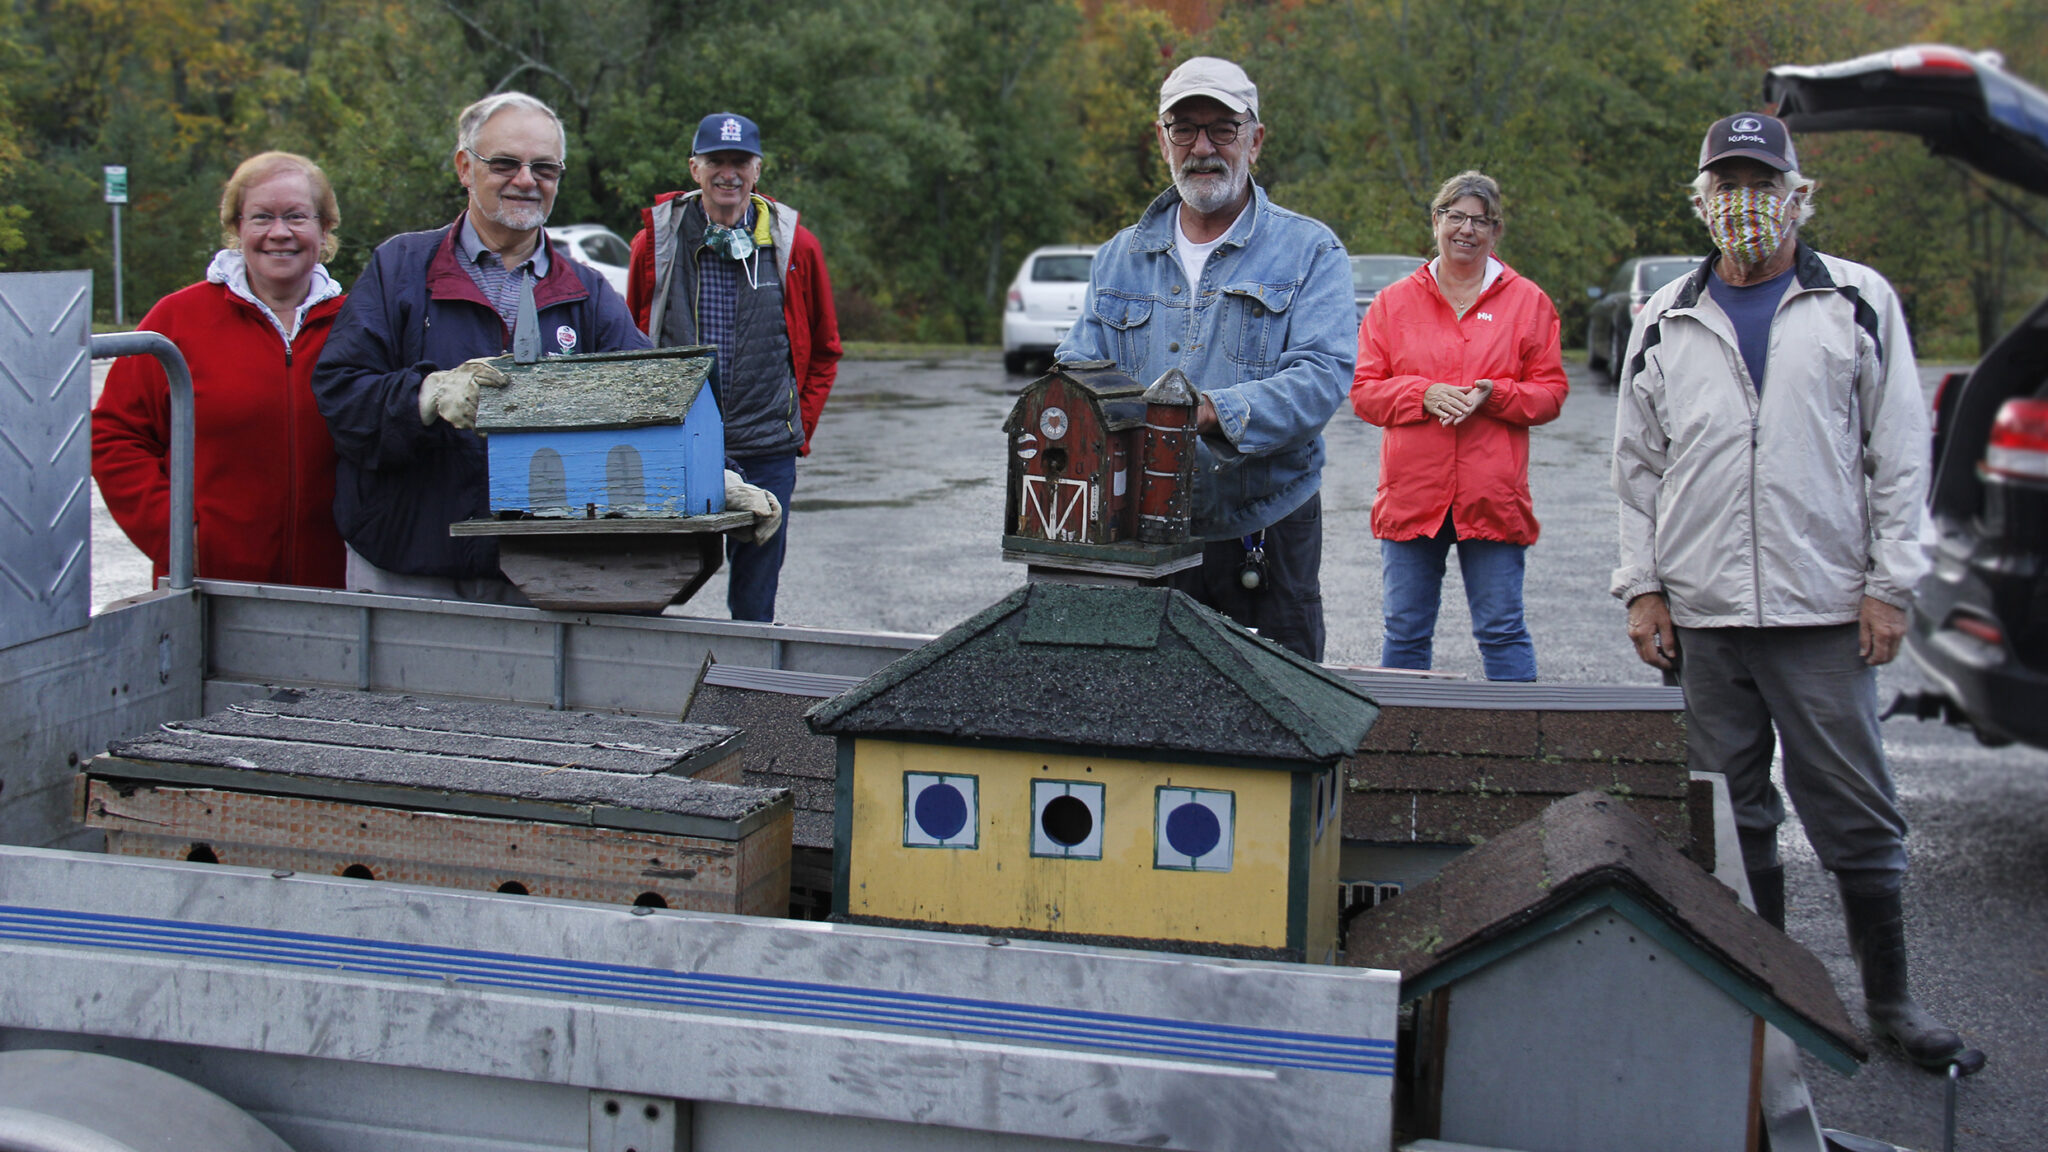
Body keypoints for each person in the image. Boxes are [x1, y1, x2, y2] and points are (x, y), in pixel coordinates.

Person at [1611, 112, 1983, 1074]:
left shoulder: (1856, 301)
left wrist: (1890, 587)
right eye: (1726, 183)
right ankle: (1759, 990)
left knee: (1854, 809)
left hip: (1824, 611)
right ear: (1700, 200)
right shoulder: (1664, 316)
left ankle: (1892, 1004)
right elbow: (1635, 471)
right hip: (1702, 616)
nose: (1745, 202)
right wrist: (1642, 590)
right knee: (1728, 816)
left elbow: (1901, 456)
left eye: (1761, 182)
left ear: (1796, 192)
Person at [1055, 57, 1353, 661]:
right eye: (1184, 128)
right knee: (1140, 699)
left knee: (1275, 704)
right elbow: (1077, 364)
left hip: (1263, 526)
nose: (1203, 147)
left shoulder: (1310, 250)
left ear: (1255, 139)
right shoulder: (1119, 256)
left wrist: (1214, 410)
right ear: (1160, 139)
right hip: (1138, 528)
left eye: (1223, 128)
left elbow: (1321, 378)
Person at [312, 92, 650, 602]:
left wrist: (722, 476)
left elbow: (650, 399)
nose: (526, 180)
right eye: (505, 163)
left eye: (545, 167)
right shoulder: (399, 268)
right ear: (464, 168)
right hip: (406, 565)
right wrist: (425, 395)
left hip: (537, 572)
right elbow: (341, 395)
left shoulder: (588, 292)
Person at [93, 151, 349, 588]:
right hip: (208, 588)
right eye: (261, 217)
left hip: (338, 589)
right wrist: (175, 535)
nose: (280, 233)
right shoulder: (177, 320)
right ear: (236, 229)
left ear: (324, 229)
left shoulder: (360, 322)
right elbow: (115, 435)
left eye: (297, 217)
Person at [1351, 171, 1568, 681]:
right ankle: (1398, 752)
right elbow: (1363, 392)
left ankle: (1519, 752)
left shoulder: (1528, 302)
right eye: (1456, 216)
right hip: (1413, 496)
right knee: (1404, 632)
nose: (1466, 229)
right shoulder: (1393, 303)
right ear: (1436, 222)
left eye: (1480, 220)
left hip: (1492, 496)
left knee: (1501, 629)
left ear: (1496, 231)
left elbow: (1551, 392)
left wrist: (1499, 395)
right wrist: (1420, 393)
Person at [626, 112, 841, 623]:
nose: (729, 173)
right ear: (695, 169)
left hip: (767, 448)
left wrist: (797, 425)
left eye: (740, 162)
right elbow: (629, 344)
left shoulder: (796, 246)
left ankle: (748, 692)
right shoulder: (655, 246)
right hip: (679, 443)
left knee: (754, 600)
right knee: (653, 582)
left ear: (757, 169)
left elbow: (826, 348)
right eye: (716, 162)